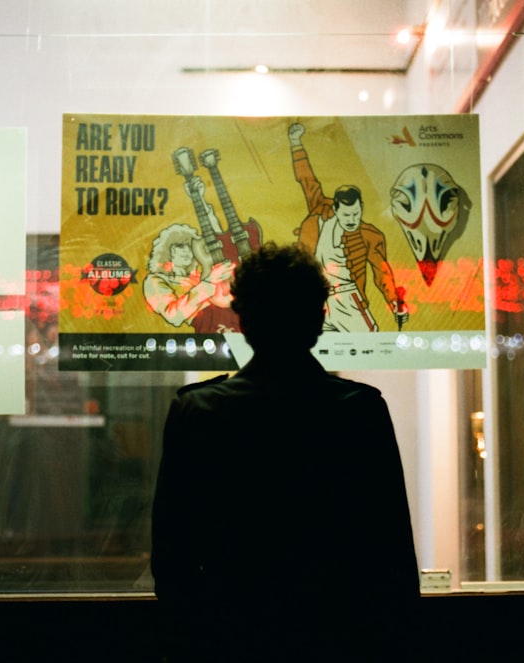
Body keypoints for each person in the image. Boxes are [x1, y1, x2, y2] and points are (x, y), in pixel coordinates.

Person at [151, 242, 420, 662]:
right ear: (318, 318)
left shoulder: (197, 411)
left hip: (229, 636)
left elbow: (173, 558)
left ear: (243, 319)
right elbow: (391, 552)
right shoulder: (360, 411)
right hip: (339, 637)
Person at [288, 122, 409, 332]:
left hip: (349, 302)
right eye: (346, 215)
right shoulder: (321, 212)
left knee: (369, 343)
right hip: (315, 303)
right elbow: (308, 181)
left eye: (355, 213)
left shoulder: (371, 235)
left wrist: (394, 302)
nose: (351, 219)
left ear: (361, 208)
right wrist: (295, 144)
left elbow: (382, 274)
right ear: (335, 209)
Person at [142, 222, 239, 333]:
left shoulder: (198, 274)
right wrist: (209, 282)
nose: (186, 251)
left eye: (189, 245)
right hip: (211, 327)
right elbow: (173, 315)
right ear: (166, 250)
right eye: (179, 246)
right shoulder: (154, 280)